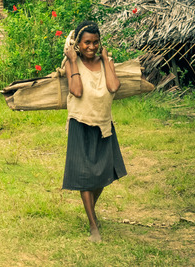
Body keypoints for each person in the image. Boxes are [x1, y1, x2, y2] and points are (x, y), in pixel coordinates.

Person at [62, 20, 127, 243]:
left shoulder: (105, 61)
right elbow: (76, 90)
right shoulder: (72, 62)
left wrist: (107, 60)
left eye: (96, 42)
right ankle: (93, 226)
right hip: (81, 123)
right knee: (85, 176)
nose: (92, 46)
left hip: (103, 124)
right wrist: (72, 60)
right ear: (78, 44)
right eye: (87, 42)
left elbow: (113, 87)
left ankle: (91, 210)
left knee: (101, 174)